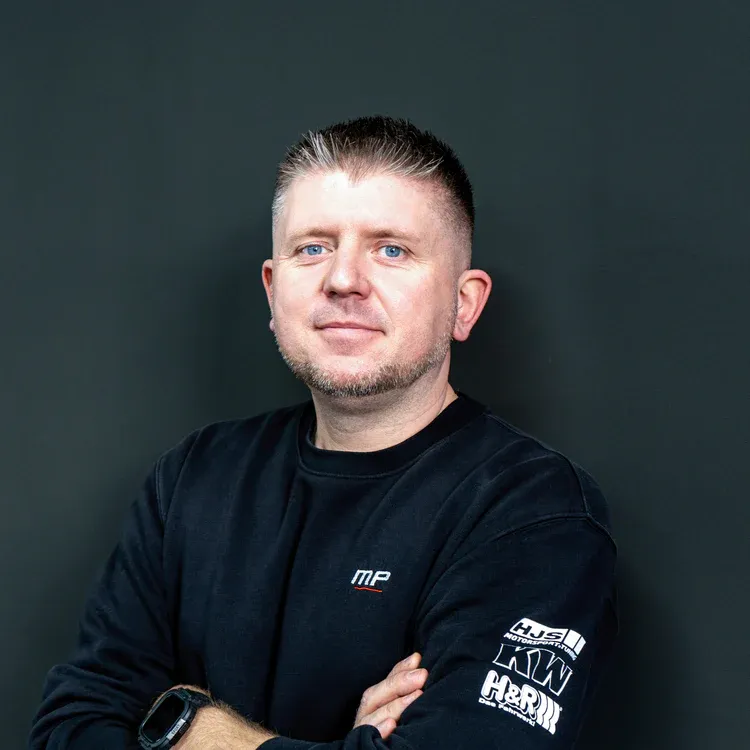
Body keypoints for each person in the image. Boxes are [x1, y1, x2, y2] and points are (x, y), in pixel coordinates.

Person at [28, 115, 617, 749]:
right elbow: (68, 728)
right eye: (313, 248)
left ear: (464, 304)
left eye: (391, 250)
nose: (342, 280)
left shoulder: (533, 513)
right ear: (272, 290)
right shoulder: (194, 478)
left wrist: (187, 724)